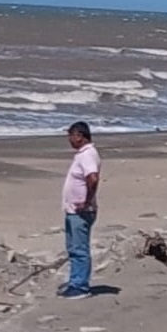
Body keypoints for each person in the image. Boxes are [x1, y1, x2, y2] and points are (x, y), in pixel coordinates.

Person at [59, 121, 101, 299]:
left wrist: (86, 201)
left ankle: (80, 286)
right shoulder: (83, 155)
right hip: (74, 210)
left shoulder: (87, 155)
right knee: (73, 247)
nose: (69, 139)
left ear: (79, 136)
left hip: (81, 211)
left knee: (79, 248)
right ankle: (75, 281)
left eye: (71, 135)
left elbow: (92, 178)